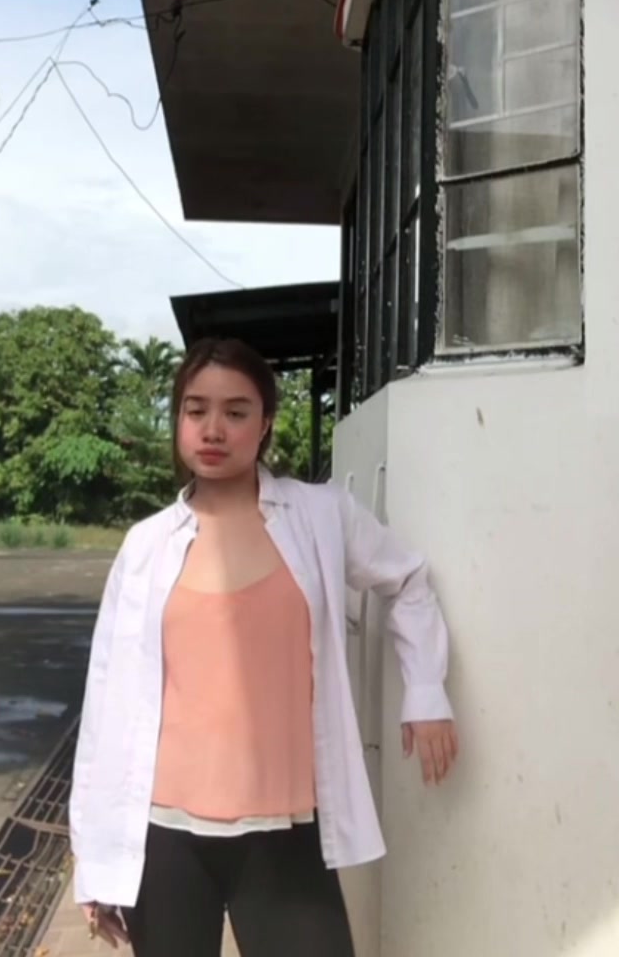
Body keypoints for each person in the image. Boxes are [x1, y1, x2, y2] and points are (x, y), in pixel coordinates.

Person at [69, 338, 458, 957]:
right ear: (178, 420)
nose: (213, 429)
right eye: (196, 410)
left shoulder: (319, 515)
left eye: (236, 411)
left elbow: (407, 579)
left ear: (266, 422)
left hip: (285, 831)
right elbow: (105, 702)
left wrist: (427, 692)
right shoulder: (146, 545)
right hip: (162, 838)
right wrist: (93, 857)